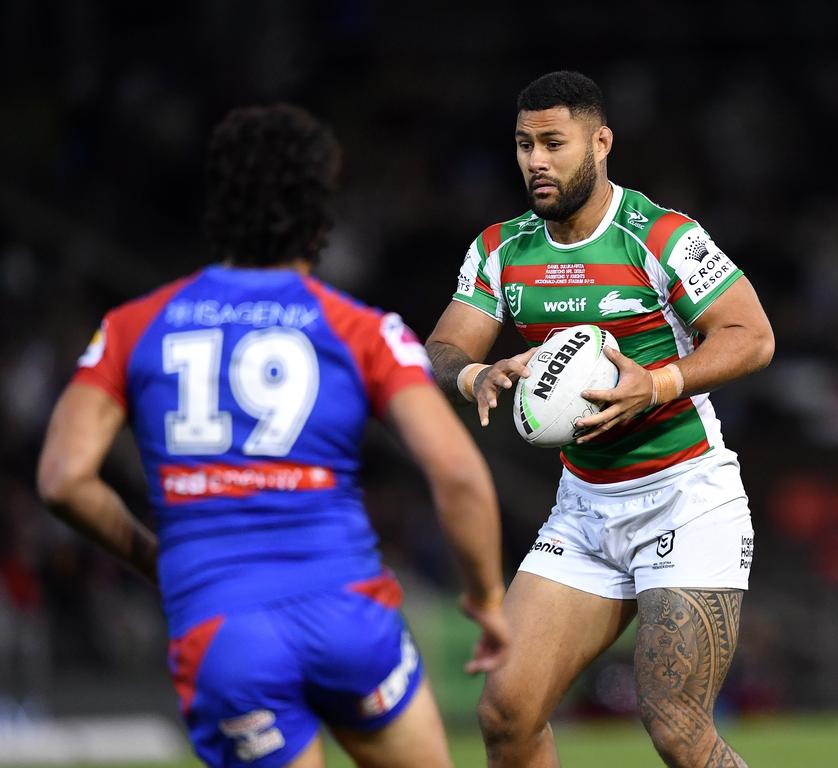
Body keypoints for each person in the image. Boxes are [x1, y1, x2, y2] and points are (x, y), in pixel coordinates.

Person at [36, 104, 510, 768]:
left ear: (218, 206)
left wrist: (157, 560)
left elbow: (62, 479)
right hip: (350, 617)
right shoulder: (362, 329)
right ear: (320, 216)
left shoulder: (133, 326)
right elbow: (457, 474)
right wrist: (486, 599)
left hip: (225, 634)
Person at [426, 71, 774, 767]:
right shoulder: (501, 249)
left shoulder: (662, 236)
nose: (536, 161)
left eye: (554, 142)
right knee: (506, 714)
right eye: (525, 145)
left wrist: (659, 382)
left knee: (676, 726)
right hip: (584, 513)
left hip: (685, 501)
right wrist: (474, 373)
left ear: (601, 141)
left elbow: (752, 336)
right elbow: (440, 347)